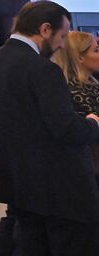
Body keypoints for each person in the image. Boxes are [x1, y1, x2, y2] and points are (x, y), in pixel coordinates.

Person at [0, 0, 99, 256]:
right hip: (62, 190)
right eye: (62, 35)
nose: (62, 44)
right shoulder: (43, 69)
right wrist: (93, 122)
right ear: (45, 29)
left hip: (21, 184)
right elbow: (67, 129)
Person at [52, 30, 99, 186]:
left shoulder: (93, 85)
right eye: (96, 50)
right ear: (79, 57)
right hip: (86, 173)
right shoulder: (67, 91)